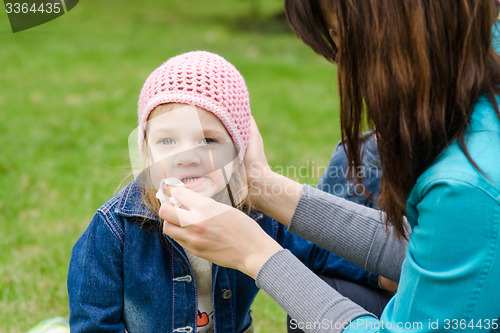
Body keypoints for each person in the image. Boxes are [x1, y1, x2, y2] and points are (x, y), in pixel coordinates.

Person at [159, 1, 500, 332]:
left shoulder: (468, 184)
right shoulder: (485, 54)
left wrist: (254, 253)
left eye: (342, 35)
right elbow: (436, 247)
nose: (343, 64)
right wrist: (260, 186)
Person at [67, 51, 390, 333]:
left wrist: (391, 274)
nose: (187, 156)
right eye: (167, 141)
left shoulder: (257, 216)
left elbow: (322, 253)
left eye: (209, 140)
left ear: (239, 150)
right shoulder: (116, 228)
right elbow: (94, 320)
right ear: (146, 151)